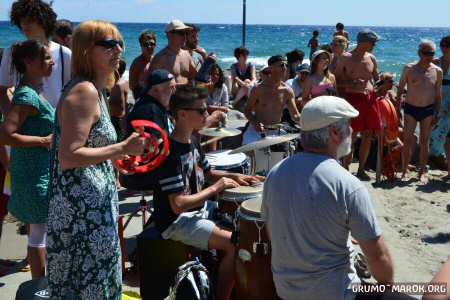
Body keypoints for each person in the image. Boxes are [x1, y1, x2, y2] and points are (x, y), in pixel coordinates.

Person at [263, 95, 415, 300]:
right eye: (349, 125)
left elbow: (272, 231)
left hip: (287, 291)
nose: (352, 131)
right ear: (334, 132)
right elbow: (378, 258)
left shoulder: (275, 173)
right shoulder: (347, 184)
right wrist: (386, 287)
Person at [46, 20, 148, 299]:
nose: (118, 49)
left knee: (98, 283)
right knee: (87, 285)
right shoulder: (85, 92)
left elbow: (89, 149)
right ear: (85, 51)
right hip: (80, 215)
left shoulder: (98, 90)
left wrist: (117, 158)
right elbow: (68, 156)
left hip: (92, 206)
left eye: (119, 43)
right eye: (107, 44)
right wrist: (121, 148)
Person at [153, 83, 262, 300]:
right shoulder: (170, 154)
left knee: (241, 224)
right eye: (202, 110)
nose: (208, 114)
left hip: (198, 210)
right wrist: (216, 188)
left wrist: (236, 177)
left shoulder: (192, 141)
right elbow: (178, 204)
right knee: (235, 243)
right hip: (177, 221)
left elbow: (208, 172)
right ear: (182, 114)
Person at [0, 40, 55, 279]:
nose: (52, 62)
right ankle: (40, 287)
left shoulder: (33, 91)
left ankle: (41, 286)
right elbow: (5, 134)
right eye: (46, 58)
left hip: (38, 173)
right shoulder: (27, 96)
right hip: (34, 177)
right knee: (38, 236)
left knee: (39, 234)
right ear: (28, 62)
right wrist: (43, 141)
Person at [0, 0, 71, 112]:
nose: (25, 24)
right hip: (23, 125)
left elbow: (72, 90)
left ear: (44, 21)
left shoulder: (64, 53)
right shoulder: (11, 52)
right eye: (21, 20)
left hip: (59, 123)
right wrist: (11, 116)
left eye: (31, 19)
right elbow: (2, 91)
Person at [335, 29, 382, 179]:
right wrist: (351, 82)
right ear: (362, 41)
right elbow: (336, 80)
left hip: (369, 99)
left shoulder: (372, 58)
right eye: (372, 42)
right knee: (352, 135)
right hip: (352, 98)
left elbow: (377, 79)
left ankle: (361, 169)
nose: (374, 45)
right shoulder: (346, 57)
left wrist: (383, 88)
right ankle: (346, 168)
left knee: (368, 135)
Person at [396, 39, 442, 183]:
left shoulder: (437, 71)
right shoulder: (409, 68)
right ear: (419, 53)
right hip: (410, 108)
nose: (429, 56)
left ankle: (421, 172)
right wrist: (397, 109)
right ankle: (404, 171)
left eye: (432, 53)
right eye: (426, 53)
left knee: (424, 141)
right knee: (408, 140)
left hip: (428, 109)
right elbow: (399, 91)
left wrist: (437, 114)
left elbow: (438, 95)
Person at [243, 55, 300, 144]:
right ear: (271, 68)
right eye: (281, 65)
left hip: (277, 130)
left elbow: (295, 115)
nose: (285, 68)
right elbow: (247, 110)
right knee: (247, 146)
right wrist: (255, 123)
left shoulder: (287, 91)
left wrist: (311, 122)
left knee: (290, 148)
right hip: (257, 130)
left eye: (286, 65)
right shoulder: (258, 89)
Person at [150, 19, 216, 84]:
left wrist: (208, 63)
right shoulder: (160, 58)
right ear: (169, 34)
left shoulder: (186, 55)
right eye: (181, 33)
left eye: (185, 33)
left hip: (186, 94)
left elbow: (197, 80)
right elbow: (148, 84)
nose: (184, 36)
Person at [429, 36, 450, 171]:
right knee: (435, 129)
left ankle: (444, 160)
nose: (444, 49)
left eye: (447, 46)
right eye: (442, 46)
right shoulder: (436, 62)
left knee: (448, 131)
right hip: (438, 98)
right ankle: (436, 156)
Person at [129, 29, 157, 99]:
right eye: (146, 45)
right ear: (141, 46)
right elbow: (132, 86)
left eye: (152, 44)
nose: (149, 47)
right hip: (143, 99)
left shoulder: (156, 61)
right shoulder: (137, 63)